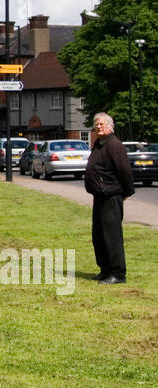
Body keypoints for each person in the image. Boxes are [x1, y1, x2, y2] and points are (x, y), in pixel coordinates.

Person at [85, 112, 134, 284]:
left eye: (102, 124)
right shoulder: (99, 144)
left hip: (111, 197)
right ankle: (105, 269)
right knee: (98, 235)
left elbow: (124, 171)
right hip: (99, 196)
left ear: (110, 126)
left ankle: (117, 273)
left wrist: (126, 192)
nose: (98, 126)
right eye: (96, 123)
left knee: (111, 236)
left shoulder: (114, 145)